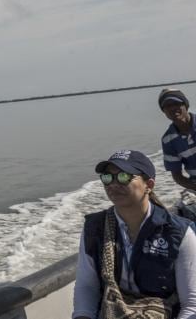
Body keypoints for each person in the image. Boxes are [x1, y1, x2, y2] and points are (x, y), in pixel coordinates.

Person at [72, 150, 196, 319]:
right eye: (107, 177)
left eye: (124, 176)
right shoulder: (95, 228)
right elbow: (86, 287)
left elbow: (191, 304)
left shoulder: (179, 233)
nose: (114, 184)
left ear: (149, 185)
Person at [160, 89, 196, 191]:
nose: (172, 108)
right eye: (167, 106)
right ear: (164, 111)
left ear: (186, 105)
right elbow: (177, 176)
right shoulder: (168, 140)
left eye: (176, 103)